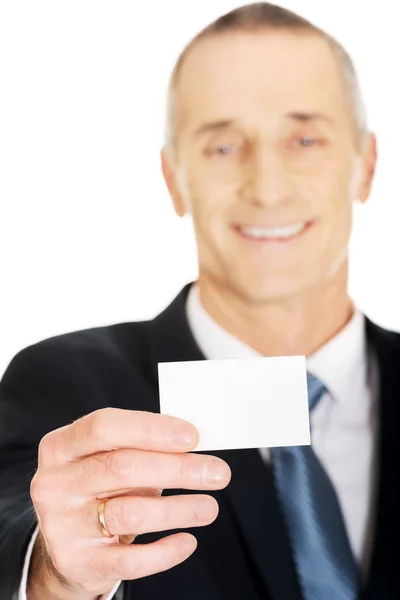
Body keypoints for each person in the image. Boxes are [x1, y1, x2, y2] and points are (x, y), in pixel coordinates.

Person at [0, 2, 398, 599]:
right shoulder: (66, 387)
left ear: (365, 165)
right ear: (173, 179)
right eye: (222, 148)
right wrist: (54, 574)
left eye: (305, 139)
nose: (266, 187)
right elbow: (12, 533)